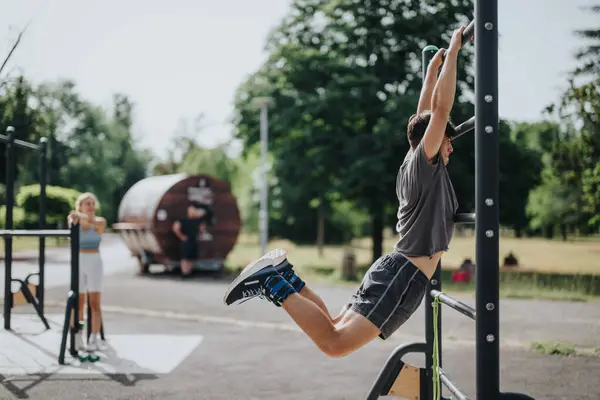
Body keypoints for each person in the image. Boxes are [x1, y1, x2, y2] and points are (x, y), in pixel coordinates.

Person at [223, 26, 465, 358]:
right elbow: (438, 110)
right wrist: (453, 51)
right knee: (335, 344)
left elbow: (426, 112)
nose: (450, 147)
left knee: (334, 324)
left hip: (395, 268)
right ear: (435, 141)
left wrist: (431, 73)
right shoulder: (426, 162)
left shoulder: (411, 160)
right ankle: (272, 281)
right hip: (404, 274)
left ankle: (285, 276)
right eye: (447, 140)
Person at [67, 192, 107, 351]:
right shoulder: (74, 219)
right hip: (79, 261)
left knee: (94, 302)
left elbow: (97, 225)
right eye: (87, 204)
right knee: (78, 302)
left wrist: (83, 218)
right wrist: (78, 218)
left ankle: (94, 336)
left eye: (92, 204)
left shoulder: (100, 221)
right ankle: (77, 335)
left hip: (94, 261)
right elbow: (72, 222)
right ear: (81, 205)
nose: (90, 207)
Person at [172, 203, 207, 277]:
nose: (192, 211)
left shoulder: (198, 220)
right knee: (185, 257)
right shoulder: (183, 219)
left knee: (191, 257)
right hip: (186, 240)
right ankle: (185, 273)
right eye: (191, 210)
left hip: (193, 239)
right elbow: (176, 227)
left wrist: (199, 235)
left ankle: (189, 272)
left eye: (193, 210)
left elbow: (202, 228)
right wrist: (182, 237)